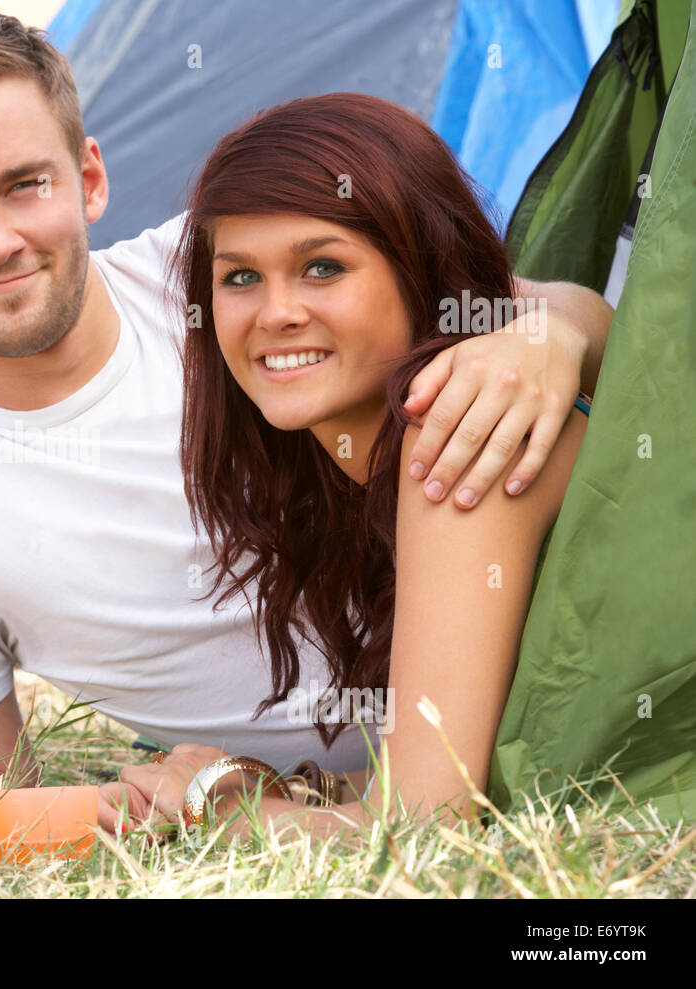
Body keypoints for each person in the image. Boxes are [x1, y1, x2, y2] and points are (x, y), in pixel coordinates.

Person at [0, 1, 614, 796]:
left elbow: (516, 306)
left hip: (511, 718)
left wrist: (551, 339)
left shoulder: (225, 264)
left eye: (25, 185)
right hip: (421, 766)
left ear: (89, 179)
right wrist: (153, 803)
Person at [99, 93, 597, 834]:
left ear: (420, 271)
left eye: (322, 267)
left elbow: (423, 828)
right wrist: (261, 783)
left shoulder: (461, 437)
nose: (275, 313)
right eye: (240, 277)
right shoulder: (360, 460)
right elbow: (465, 762)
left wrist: (207, 815)